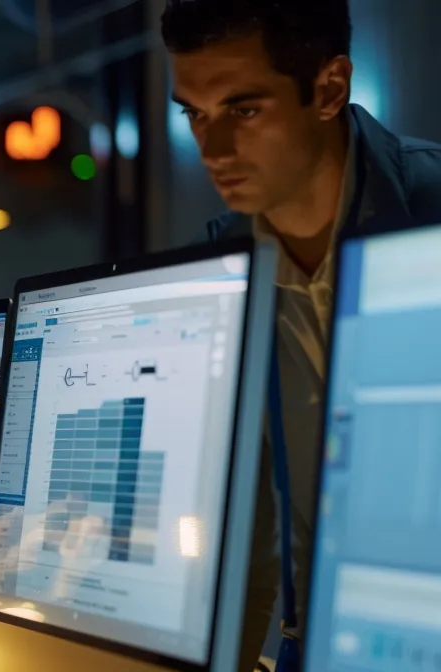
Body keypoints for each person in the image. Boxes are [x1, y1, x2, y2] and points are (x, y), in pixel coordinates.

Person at [162, 0, 441, 666]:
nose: (213, 149)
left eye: (243, 110)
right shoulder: (226, 263)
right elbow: (242, 510)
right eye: (195, 115)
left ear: (329, 89)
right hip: (313, 642)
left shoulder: (430, 211)